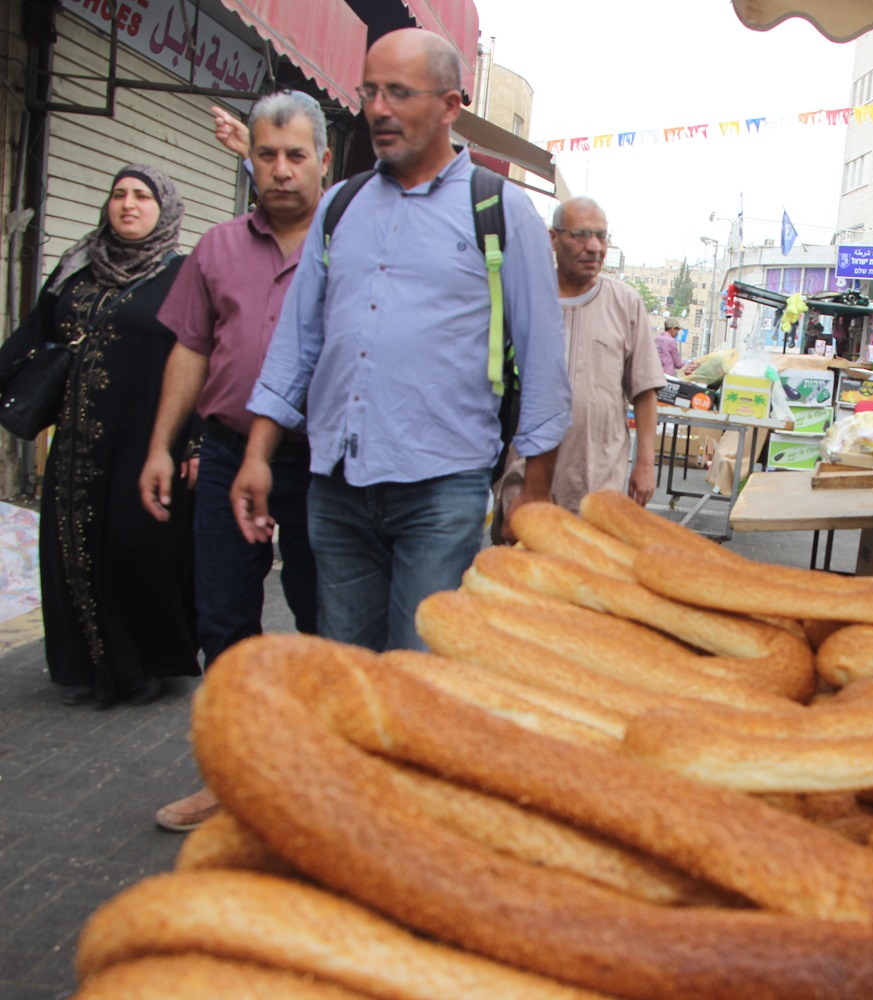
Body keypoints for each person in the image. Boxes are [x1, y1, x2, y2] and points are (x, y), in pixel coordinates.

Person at [231, 28, 571, 653]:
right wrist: (257, 453)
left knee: (419, 673)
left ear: (450, 106)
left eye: (399, 92)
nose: (378, 109)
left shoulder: (499, 210)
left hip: (441, 491)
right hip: (337, 486)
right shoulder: (340, 206)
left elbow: (545, 359)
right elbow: (297, 342)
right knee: (351, 669)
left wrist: (536, 492)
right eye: (370, 91)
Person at [141, 91, 329, 833]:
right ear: (247, 159)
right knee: (223, 619)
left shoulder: (348, 241)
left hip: (322, 466)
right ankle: (231, 775)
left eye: (295, 155)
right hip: (223, 456)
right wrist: (162, 445)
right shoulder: (215, 249)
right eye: (266, 155)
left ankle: (318, 778)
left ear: (321, 162)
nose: (280, 171)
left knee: (326, 619)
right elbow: (189, 348)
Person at [0, 166, 197, 707]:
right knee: (72, 547)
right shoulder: (76, 266)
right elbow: (33, 334)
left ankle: (142, 666)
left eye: (142, 196)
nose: (128, 205)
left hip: (147, 439)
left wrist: (198, 439)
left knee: (134, 546)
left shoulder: (183, 276)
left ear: (165, 209)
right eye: (119, 195)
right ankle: (89, 668)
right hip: (75, 441)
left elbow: (204, 356)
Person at [497, 197, 662, 517]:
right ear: (553, 239)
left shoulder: (625, 302)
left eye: (601, 236)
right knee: (524, 564)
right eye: (581, 234)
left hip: (599, 478)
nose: (594, 247)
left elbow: (645, 389)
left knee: (590, 564)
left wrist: (645, 464)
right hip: (525, 475)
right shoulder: (526, 298)